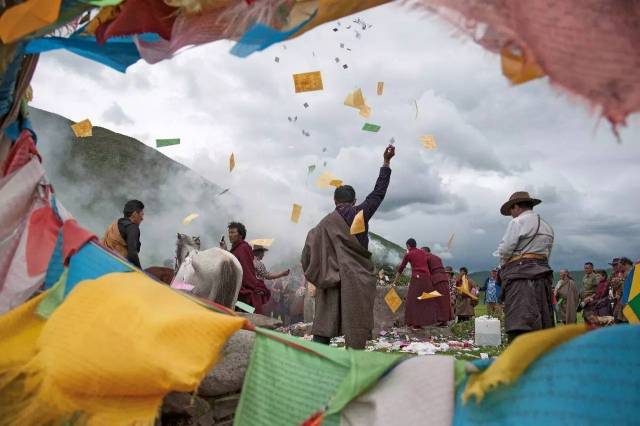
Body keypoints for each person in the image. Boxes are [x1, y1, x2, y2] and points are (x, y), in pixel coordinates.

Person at [301, 145, 395, 349]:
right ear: (354, 201)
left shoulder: (322, 225)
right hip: (357, 279)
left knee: (325, 325)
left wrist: (320, 275)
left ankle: (316, 364)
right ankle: (354, 364)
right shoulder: (360, 214)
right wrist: (386, 163)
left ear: (334, 201)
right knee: (356, 326)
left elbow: (306, 255)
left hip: (331, 279)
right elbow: (378, 194)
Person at [495, 191, 555, 342]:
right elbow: (547, 254)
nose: (511, 214)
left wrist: (503, 267)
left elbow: (505, 250)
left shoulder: (517, 222)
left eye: (511, 211)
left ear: (516, 207)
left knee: (520, 318)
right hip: (542, 275)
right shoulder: (547, 227)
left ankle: (519, 353)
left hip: (520, 277)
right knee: (542, 318)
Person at [221, 222, 271, 314]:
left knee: (249, 310)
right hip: (234, 285)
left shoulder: (244, 248)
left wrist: (253, 286)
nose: (230, 235)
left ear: (240, 235)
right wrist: (225, 250)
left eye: (233, 232)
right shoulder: (236, 248)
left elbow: (246, 270)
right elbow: (234, 262)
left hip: (243, 287)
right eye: (229, 232)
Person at [392, 239, 437, 329]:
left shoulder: (409, 254)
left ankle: (413, 323)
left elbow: (401, 268)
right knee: (423, 300)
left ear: (408, 246)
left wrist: (394, 281)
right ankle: (421, 323)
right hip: (427, 278)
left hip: (417, 277)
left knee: (412, 300)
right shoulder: (423, 253)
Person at [102, 199, 144, 268]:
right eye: (141, 215)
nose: (142, 218)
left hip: (104, 263)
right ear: (135, 214)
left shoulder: (114, 224)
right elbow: (132, 253)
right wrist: (140, 272)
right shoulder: (132, 228)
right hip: (118, 267)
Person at [421, 247, 453, 325]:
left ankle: (438, 319)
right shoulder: (437, 257)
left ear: (424, 251)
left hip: (436, 279)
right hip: (444, 279)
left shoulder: (426, 257)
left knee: (437, 300)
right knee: (444, 300)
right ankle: (444, 320)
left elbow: (426, 271)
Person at [611, 257, 633, 323]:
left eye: (619, 265)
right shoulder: (622, 274)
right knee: (617, 317)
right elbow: (616, 287)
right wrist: (616, 282)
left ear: (625, 265)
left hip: (630, 301)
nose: (618, 267)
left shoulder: (633, 272)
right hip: (622, 300)